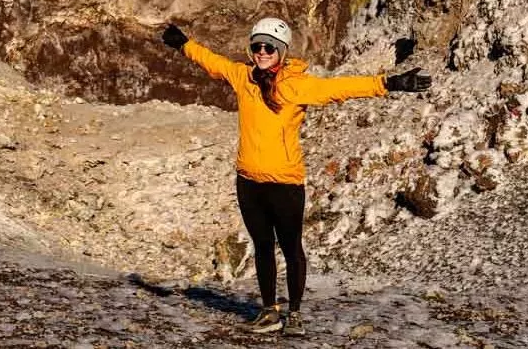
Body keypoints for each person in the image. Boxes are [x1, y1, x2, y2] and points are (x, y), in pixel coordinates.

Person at [161, 17, 431, 337]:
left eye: (269, 47)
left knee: (291, 249)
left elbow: (340, 88)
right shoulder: (243, 77)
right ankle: (269, 312)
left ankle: (295, 314)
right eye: (257, 46)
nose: (262, 52)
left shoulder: (297, 84)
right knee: (263, 246)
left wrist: (390, 83)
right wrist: (184, 45)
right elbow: (213, 62)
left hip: (285, 184)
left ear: (281, 51)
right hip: (248, 180)